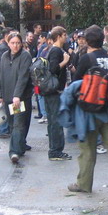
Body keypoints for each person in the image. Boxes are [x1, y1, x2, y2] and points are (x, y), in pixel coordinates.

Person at [68, 24, 108, 193]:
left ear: (87, 41)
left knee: (87, 148)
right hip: (107, 106)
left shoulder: (87, 59)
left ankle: (83, 183)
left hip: (89, 109)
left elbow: (76, 82)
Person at [0, 31, 34, 164]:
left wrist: (17, 95)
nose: (16, 45)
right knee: (12, 124)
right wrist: (1, 95)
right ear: (8, 43)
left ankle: (14, 151)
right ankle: (20, 145)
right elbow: (1, 76)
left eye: (18, 43)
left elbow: (23, 77)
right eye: (13, 43)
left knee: (18, 123)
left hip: (19, 98)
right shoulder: (4, 56)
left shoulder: (25, 56)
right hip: (8, 96)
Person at [44, 26, 72, 161]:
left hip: (52, 91)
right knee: (56, 121)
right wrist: (65, 62)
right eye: (65, 35)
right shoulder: (55, 50)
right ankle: (56, 150)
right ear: (59, 36)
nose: (66, 37)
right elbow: (53, 69)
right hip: (55, 91)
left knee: (53, 121)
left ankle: (54, 149)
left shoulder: (54, 49)